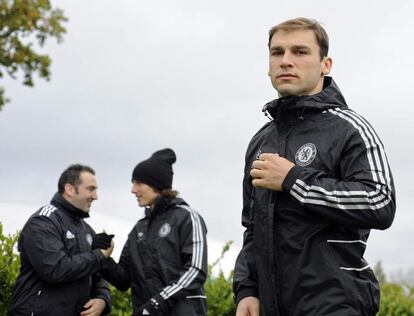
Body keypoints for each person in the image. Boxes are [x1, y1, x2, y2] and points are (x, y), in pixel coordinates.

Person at [233, 17, 396, 316]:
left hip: (336, 304)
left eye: (300, 52)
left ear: (326, 64)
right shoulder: (260, 141)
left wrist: (294, 180)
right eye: (277, 52)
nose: (286, 61)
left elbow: (380, 201)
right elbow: (252, 229)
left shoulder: (350, 128)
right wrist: (247, 289)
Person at [101, 148, 208, 315]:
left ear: (156, 185)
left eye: (138, 183)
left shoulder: (187, 217)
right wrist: (103, 259)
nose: (133, 190)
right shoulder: (138, 229)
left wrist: (157, 303)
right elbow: (123, 280)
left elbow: (195, 270)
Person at [8, 164, 113, 316]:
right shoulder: (43, 221)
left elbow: (98, 274)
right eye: (90, 189)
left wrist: (102, 299)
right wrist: (100, 255)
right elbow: (55, 270)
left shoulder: (87, 230)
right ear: (70, 189)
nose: (96, 196)